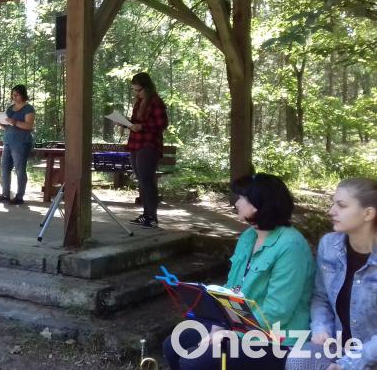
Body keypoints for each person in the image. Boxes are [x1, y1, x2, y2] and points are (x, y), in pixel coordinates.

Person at [162, 173, 315, 370]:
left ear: (259, 204)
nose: (236, 203)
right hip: (238, 325)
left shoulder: (291, 246)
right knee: (174, 344)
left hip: (278, 338)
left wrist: (235, 333)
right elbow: (231, 289)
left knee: (196, 361)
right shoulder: (249, 236)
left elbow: (278, 311)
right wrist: (220, 320)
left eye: (242, 198)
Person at [286, 177, 376, 370]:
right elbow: (321, 297)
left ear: (368, 213)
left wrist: (348, 364)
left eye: (341, 205)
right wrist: (321, 328)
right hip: (338, 348)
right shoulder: (330, 245)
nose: (331, 211)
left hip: (370, 356)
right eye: (333, 203)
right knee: (298, 360)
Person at [124, 72, 168, 229]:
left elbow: (162, 124)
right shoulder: (139, 102)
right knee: (141, 180)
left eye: (138, 90)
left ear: (147, 88)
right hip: (135, 143)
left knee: (147, 180)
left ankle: (153, 217)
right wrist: (125, 123)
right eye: (134, 90)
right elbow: (136, 122)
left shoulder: (156, 102)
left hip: (149, 145)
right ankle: (146, 215)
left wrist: (142, 127)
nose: (136, 93)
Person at [0, 85, 35, 205]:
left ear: (23, 94)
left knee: (19, 169)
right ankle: (5, 194)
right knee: (4, 167)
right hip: (8, 141)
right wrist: (0, 122)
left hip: (21, 142)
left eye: (17, 94)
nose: (14, 96)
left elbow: (29, 125)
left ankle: (19, 196)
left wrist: (15, 122)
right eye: (13, 94)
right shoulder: (10, 108)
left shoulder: (28, 109)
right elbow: (7, 126)